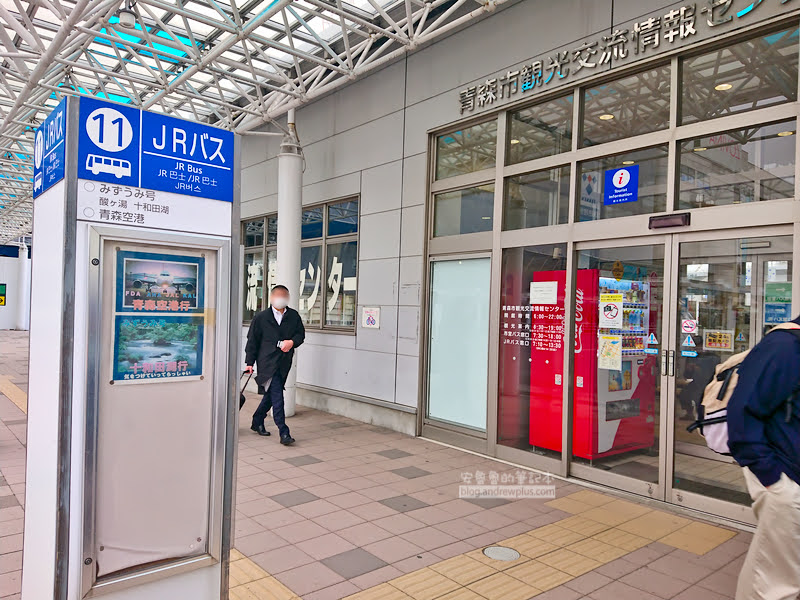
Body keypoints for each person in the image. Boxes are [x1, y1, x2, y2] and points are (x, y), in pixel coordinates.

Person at [727, 316, 800, 600]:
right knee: (775, 584)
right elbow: (743, 413)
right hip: (785, 478)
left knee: (779, 570)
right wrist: (773, 480)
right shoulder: (784, 346)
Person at [244, 284, 305, 445]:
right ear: (271, 298)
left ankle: (257, 420)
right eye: (278, 295)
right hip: (266, 362)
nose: (280, 298)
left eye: (284, 295)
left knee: (271, 395)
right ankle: (284, 432)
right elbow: (252, 341)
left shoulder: (293, 316)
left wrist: (291, 342)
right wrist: (249, 362)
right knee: (278, 396)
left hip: (284, 361)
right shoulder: (261, 317)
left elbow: (300, 335)